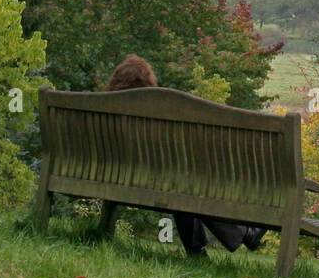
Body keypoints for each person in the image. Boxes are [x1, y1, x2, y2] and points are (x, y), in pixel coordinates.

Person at [106, 54, 269, 256]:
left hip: (112, 178)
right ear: (147, 81)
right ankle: (241, 234)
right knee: (185, 185)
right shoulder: (151, 112)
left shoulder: (104, 108)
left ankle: (200, 249)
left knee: (180, 185)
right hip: (143, 181)